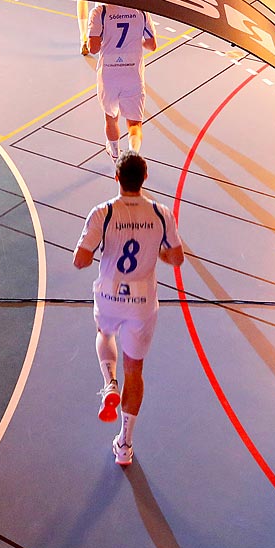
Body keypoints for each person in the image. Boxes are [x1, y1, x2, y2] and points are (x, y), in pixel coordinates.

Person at [72, 152, 184, 467]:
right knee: (135, 369)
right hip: (142, 302)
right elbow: (177, 258)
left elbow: (80, 260)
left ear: (117, 178)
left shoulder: (102, 213)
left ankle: (109, 382)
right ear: (144, 178)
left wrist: (101, 250)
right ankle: (125, 444)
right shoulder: (162, 214)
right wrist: (158, 255)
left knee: (104, 332)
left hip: (109, 295)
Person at [87, 0, 157, 165]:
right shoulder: (141, 11)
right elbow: (152, 45)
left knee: (111, 117)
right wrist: (135, 41)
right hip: (132, 73)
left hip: (109, 73)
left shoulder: (99, 12)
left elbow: (93, 49)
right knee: (134, 123)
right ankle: (132, 156)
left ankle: (114, 153)